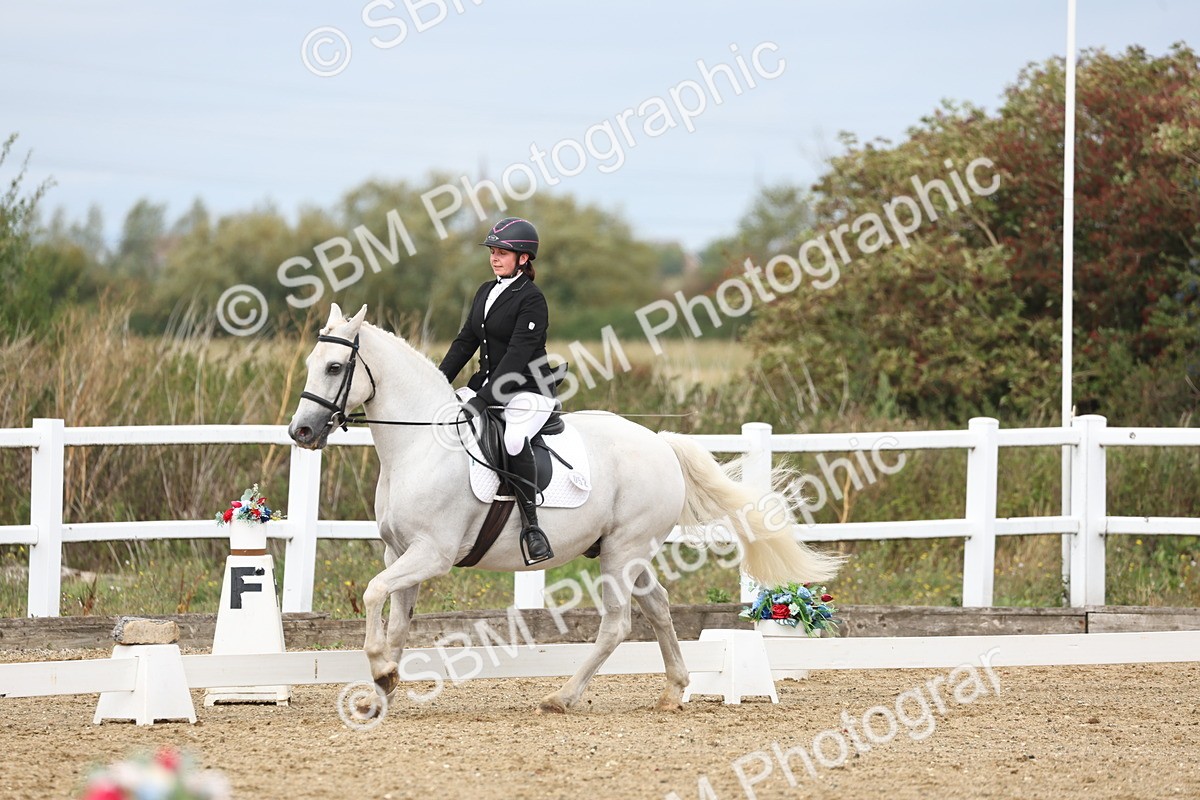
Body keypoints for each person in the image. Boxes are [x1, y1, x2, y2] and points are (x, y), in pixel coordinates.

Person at [439, 217, 559, 565]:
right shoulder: (485, 291)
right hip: (488, 387)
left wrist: (484, 399)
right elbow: (465, 342)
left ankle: (532, 527)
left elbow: (517, 357)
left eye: (503, 253)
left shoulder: (532, 300)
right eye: (492, 251)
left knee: (512, 438)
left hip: (528, 390)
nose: (495, 258)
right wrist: (437, 381)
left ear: (523, 258)